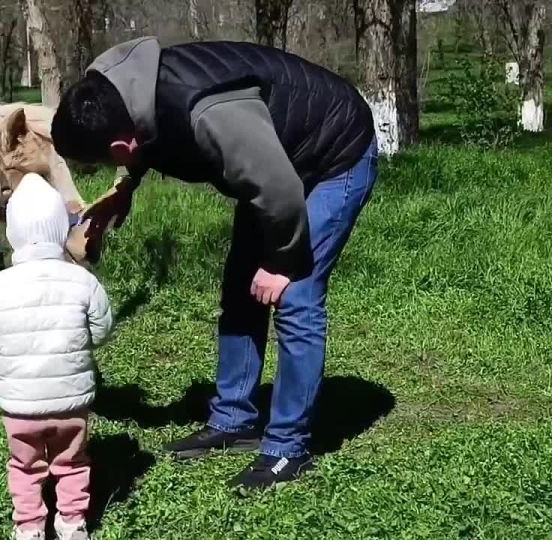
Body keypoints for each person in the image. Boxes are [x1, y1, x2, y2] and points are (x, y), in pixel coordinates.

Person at [51, 37, 378, 489]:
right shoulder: (111, 86)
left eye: (103, 161)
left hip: (332, 155)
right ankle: (234, 421)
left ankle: (288, 449)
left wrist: (283, 261)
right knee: (242, 287)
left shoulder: (210, 113)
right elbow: (144, 133)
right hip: (271, 159)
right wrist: (124, 187)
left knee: (296, 296)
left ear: (122, 144)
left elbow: (279, 189)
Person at [0, 173, 113, 540]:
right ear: (62, 229)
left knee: (25, 465)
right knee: (72, 462)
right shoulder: (83, 281)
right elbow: (102, 329)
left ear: (13, 232)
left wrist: (7, 346)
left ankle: (30, 527)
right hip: (71, 402)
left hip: (20, 406)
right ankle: (71, 522)